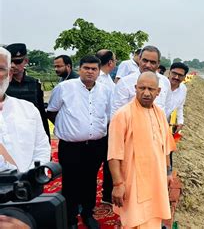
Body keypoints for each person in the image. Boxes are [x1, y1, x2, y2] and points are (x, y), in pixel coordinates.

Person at [47, 55, 111, 229]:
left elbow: (108, 115)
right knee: (71, 182)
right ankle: (70, 218)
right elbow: (52, 111)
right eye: (86, 68)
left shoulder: (105, 90)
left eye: (94, 69)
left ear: (99, 71)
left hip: (96, 145)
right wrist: (68, 128)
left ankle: (87, 213)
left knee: (90, 180)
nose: (90, 72)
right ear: (79, 68)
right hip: (71, 147)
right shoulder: (64, 88)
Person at [108, 72, 175, 228]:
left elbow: (165, 147)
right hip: (133, 181)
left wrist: (168, 172)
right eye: (142, 88)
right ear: (135, 88)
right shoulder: (122, 115)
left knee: (154, 217)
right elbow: (113, 154)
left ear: (158, 92)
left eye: (150, 89)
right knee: (134, 221)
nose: (146, 93)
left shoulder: (159, 113)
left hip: (156, 180)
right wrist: (118, 184)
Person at [0, 47, 50, 172]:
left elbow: (41, 148)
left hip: (27, 187)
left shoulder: (28, 110)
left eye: (0, 69)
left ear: (9, 74)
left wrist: (30, 177)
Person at [4, 43, 50, 142]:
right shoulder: (2, 84)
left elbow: (41, 114)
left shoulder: (34, 83)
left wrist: (47, 142)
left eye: (17, 61)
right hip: (8, 137)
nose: (12, 65)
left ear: (26, 61)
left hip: (31, 135)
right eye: (10, 61)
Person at [111, 45, 171, 117]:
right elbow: (116, 113)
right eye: (145, 60)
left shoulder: (165, 82)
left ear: (158, 63)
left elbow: (166, 108)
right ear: (139, 59)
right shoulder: (125, 82)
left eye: (152, 62)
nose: (148, 65)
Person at [95, 49, 116, 205]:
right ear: (110, 62)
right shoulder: (100, 80)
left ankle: (107, 194)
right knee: (98, 162)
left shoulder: (108, 78)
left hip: (110, 126)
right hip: (102, 128)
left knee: (110, 162)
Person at [166, 62, 189, 132]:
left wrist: (180, 122)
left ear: (184, 77)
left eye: (180, 75)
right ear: (169, 73)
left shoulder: (183, 89)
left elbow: (180, 107)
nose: (176, 77)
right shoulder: (159, 84)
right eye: (174, 73)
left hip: (165, 123)